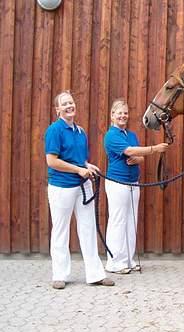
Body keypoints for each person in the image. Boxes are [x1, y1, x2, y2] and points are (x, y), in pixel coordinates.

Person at [45, 91, 114, 289]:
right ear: (58, 109)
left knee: (88, 228)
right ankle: (60, 274)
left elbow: (79, 159)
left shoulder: (80, 132)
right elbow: (52, 161)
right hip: (61, 187)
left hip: (83, 185)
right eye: (64, 104)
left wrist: (87, 166)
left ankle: (95, 274)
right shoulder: (54, 131)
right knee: (61, 230)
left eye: (71, 102)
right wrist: (78, 170)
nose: (69, 106)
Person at [104, 99, 168, 274]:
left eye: (125, 113)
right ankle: (114, 262)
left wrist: (138, 157)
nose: (123, 116)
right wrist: (154, 149)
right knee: (118, 221)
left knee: (131, 222)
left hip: (133, 183)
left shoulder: (130, 135)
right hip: (118, 183)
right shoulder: (111, 135)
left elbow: (138, 157)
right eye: (119, 113)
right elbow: (131, 152)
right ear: (112, 115)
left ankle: (128, 259)